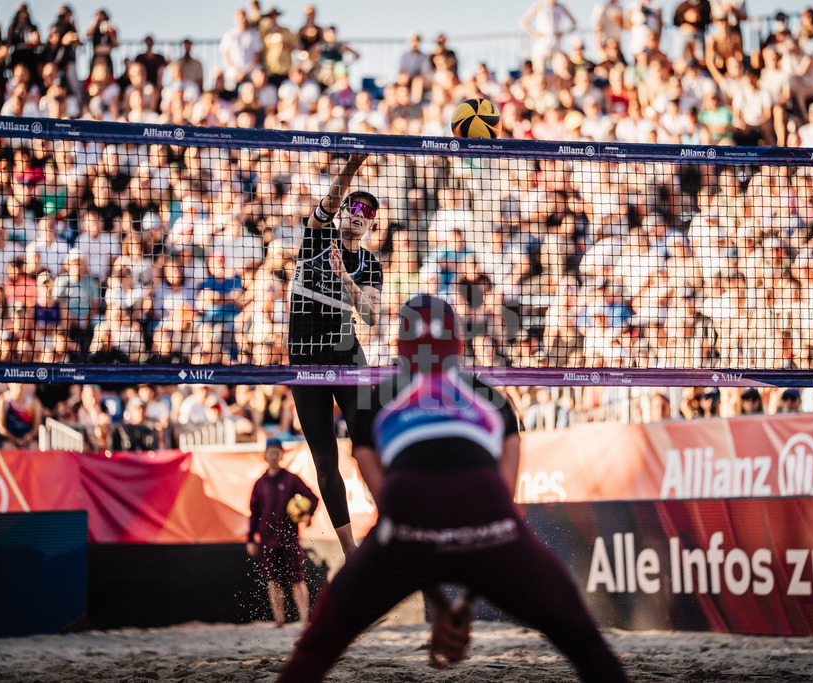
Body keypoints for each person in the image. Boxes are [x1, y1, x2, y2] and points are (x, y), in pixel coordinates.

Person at [278, 295, 628, 682]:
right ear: (458, 343)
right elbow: (500, 506)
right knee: (586, 643)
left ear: (399, 346)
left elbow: (402, 515)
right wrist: (465, 602)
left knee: (314, 650)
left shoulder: (371, 403)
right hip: (491, 525)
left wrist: (441, 605)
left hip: (407, 526)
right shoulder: (494, 399)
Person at [287, 152, 380, 556]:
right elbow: (328, 203)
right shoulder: (317, 238)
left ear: (372, 224)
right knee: (325, 459)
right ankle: (350, 551)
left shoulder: (370, 264)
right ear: (342, 211)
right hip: (306, 358)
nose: (360, 214)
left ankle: (397, 524)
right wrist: (352, 166)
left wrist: (346, 279)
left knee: (369, 444)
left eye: (368, 212)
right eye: (354, 207)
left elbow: (373, 316)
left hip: (346, 354)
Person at [247, 437, 319, 628]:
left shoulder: (290, 479)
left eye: (277, 452)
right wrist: (250, 539)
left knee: (297, 579)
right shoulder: (260, 483)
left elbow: (312, 497)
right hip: (267, 539)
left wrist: (307, 514)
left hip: (289, 538)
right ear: (265, 455)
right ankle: (279, 621)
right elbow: (254, 513)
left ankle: (305, 620)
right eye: (270, 452)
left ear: (281, 455)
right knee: (273, 580)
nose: (273, 455)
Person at [520, 0, 578, 73]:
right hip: (541, 47)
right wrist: (535, 33)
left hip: (556, 46)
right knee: (539, 72)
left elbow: (575, 24)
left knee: (559, 72)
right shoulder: (539, 6)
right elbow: (524, 21)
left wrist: (563, 32)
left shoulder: (561, 7)